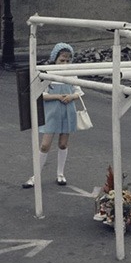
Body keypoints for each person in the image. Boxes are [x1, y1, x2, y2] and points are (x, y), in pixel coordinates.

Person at [22, 42, 83, 188]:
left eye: (68, 60)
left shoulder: (71, 74)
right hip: (51, 112)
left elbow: (78, 91)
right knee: (44, 145)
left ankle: (60, 173)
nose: (65, 63)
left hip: (67, 111)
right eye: (62, 60)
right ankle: (35, 175)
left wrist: (71, 97)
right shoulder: (48, 74)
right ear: (55, 59)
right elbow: (40, 94)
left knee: (63, 143)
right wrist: (57, 96)